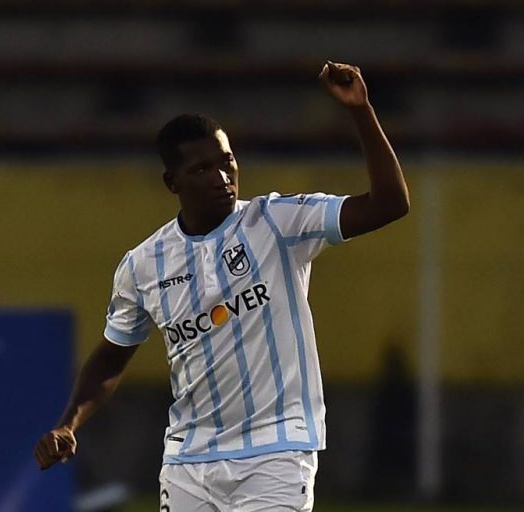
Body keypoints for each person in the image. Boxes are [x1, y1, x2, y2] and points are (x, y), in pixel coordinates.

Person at [34, 61, 409, 511]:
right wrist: (69, 423)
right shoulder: (143, 265)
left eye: (227, 162)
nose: (222, 178)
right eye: (202, 169)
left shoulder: (278, 221)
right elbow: (113, 355)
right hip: (188, 463)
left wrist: (361, 111)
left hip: (277, 452)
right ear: (172, 182)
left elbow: (389, 203)